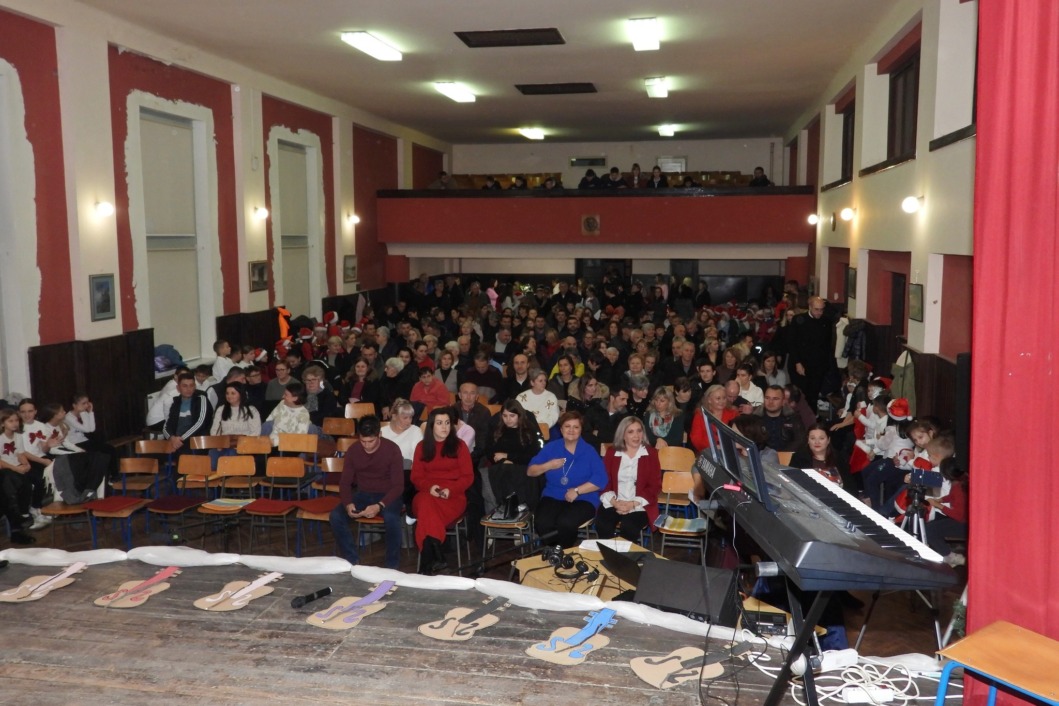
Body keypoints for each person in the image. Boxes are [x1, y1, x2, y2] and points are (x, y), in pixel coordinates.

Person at [329, 415, 406, 569]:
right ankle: (352, 562)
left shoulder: (392, 450)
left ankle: (392, 567)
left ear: (379, 435)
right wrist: (348, 504)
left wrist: (380, 505)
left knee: (392, 518)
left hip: (388, 495)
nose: (367, 445)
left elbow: (398, 486)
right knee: (336, 516)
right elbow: (345, 483)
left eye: (371, 441)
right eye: (363, 441)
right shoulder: (353, 450)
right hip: (363, 494)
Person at [528, 411, 608, 548]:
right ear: (561, 429)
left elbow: (601, 479)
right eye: (567, 426)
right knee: (542, 522)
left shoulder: (589, 451)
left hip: (583, 498)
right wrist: (548, 465)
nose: (571, 430)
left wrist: (577, 491)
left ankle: (563, 551)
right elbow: (530, 471)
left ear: (581, 430)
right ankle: (554, 551)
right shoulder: (551, 448)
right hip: (553, 495)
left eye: (576, 427)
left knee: (566, 522)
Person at [411, 408, 474, 574]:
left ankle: (429, 561)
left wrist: (450, 490)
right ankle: (436, 557)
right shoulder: (421, 447)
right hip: (427, 492)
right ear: (431, 426)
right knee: (425, 502)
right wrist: (429, 487)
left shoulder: (460, 446)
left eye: (447, 423)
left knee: (426, 514)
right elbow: (416, 477)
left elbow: (468, 477)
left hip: (453, 496)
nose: (444, 427)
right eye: (439, 423)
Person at [596, 417, 662, 542]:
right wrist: (615, 503)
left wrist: (632, 504)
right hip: (615, 501)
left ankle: (625, 554)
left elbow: (654, 486)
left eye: (639, 431)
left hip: (639, 504)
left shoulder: (651, 454)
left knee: (629, 527)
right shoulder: (612, 453)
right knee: (603, 524)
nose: (636, 436)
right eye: (630, 432)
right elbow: (604, 481)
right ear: (623, 435)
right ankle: (609, 553)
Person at [788, 296, 834, 411]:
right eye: (816, 309)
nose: (819, 312)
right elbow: (792, 343)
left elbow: (828, 344)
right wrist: (797, 362)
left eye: (821, 310)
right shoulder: (798, 320)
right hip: (800, 363)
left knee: (813, 395)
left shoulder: (826, 321)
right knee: (799, 394)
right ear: (810, 307)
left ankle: (812, 417)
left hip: (818, 365)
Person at [0, 408, 35, 544]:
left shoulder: (18, 436)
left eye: (16, 420)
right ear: (2, 423)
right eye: (11, 421)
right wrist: (16, 468)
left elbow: (20, 454)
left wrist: (26, 464)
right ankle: (18, 519)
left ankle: (22, 514)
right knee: (9, 481)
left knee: (25, 482)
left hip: (14, 469)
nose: (15, 423)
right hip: (5, 470)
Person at [163, 373, 212, 454]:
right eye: (185, 386)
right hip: (176, 442)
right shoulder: (175, 403)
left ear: (195, 387)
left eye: (191, 385)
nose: (189, 389)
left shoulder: (201, 399)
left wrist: (180, 440)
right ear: (178, 388)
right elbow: (167, 425)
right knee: (152, 454)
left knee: (182, 454)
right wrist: (172, 438)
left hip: (195, 442)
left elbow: (200, 423)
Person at [754, 385, 805, 452]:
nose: (770, 402)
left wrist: (783, 454)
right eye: (767, 398)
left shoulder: (793, 418)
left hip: (787, 456)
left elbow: (800, 440)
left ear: (783, 402)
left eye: (775, 399)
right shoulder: (755, 418)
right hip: (760, 456)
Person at [689, 384, 736, 453]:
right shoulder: (700, 415)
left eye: (724, 398)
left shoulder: (733, 413)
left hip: (730, 451)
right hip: (707, 452)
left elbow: (738, 437)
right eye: (718, 398)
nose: (722, 401)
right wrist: (713, 447)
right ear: (709, 400)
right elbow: (696, 439)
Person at [262, 381, 311, 446]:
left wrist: (275, 442)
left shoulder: (303, 415)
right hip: (270, 440)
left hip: (288, 446)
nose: (283, 396)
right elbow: (270, 418)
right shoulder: (282, 404)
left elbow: (298, 438)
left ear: (295, 398)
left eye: (286, 395)